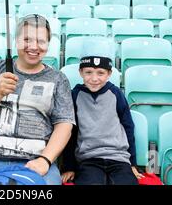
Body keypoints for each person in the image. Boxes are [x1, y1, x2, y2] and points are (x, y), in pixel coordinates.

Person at [0, 14, 75, 185]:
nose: (34, 47)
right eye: (27, 39)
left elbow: (64, 125)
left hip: (36, 161)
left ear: (48, 44)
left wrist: (45, 160)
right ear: (16, 41)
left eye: (41, 41)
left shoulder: (58, 79)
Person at [61, 56, 143, 185]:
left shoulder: (116, 93)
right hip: (89, 159)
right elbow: (70, 132)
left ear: (109, 74)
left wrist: (132, 163)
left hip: (118, 158)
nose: (94, 78)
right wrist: (69, 167)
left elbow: (128, 127)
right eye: (88, 72)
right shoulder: (75, 95)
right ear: (81, 72)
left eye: (101, 73)